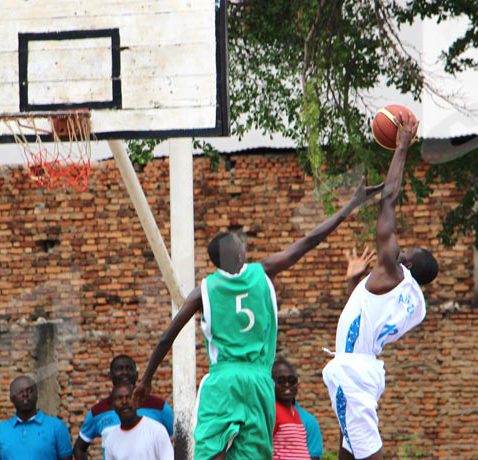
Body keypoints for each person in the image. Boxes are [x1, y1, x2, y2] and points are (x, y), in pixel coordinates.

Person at [134, 177, 383, 460]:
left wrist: (146, 378)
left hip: (224, 380)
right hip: (260, 383)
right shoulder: (263, 271)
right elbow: (310, 240)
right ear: (241, 253)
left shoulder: (202, 292)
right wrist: (351, 204)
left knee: (208, 452)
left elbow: (168, 335)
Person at [322, 113, 439, 460]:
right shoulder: (412, 303)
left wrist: (400, 148)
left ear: (410, 265)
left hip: (352, 373)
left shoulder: (391, 270)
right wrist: (354, 282)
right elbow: (364, 320)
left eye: (410, 251)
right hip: (367, 369)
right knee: (348, 451)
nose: (403, 247)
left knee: (368, 454)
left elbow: (389, 199)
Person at [73, 354, 173, 460]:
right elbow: (79, 448)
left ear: (137, 374)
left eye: (129, 368)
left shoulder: (159, 407)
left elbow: (178, 440)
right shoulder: (98, 412)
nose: (125, 372)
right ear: (110, 375)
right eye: (119, 369)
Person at [0, 375, 72, 460]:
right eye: (20, 391)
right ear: (12, 398)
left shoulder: (57, 427)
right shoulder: (2, 430)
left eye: (30, 390)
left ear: (37, 395)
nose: (25, 394)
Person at [104, 381, 173, 460]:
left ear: (137, 400)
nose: (124, 402)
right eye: (119, 398)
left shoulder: (157, 430)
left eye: (129, 397)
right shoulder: (111, 439)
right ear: (112, 406)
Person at [272, 357, 323, 460]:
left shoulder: (298, 416)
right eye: (281, 380)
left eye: (291, 380)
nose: (287, 384)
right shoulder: (271, 412)